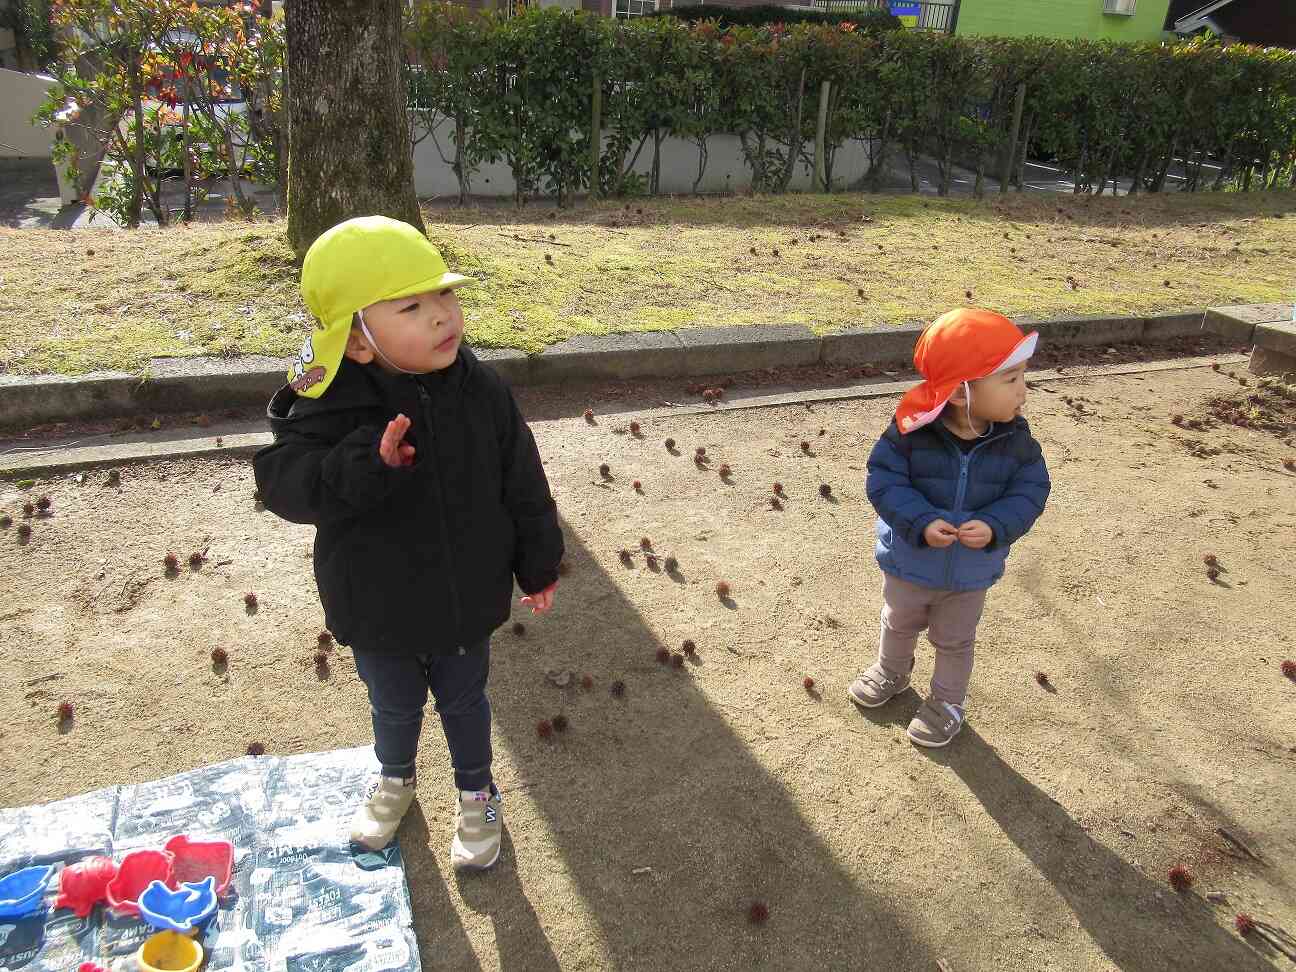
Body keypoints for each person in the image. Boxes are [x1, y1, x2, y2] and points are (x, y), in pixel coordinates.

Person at [254, 216, 563, 868]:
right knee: (392, 703)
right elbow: (284, 483)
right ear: (359, 342)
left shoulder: (482, 389)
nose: (442, 316)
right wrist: (363, 465)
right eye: (414, 306)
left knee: (464, 700)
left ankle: (477, 792)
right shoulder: (325, 399)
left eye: (445, 296)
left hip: (461, 599)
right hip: (376, 603)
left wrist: (539, 562)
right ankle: (395, 779)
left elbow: (522, 478)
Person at [848, 308, 1051, 748]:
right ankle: (892, 671)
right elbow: (885, 480)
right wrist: (919, 521)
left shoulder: (1015, 441)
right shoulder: (910, 432)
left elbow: (1031, 490)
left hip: (969, 572)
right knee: (898, 620)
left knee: (955, 639)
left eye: (1023, 377)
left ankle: (947, 702)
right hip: (909, 561)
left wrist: (996, 525)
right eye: (1011, 380)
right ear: (961, 392)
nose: (1024, 392)